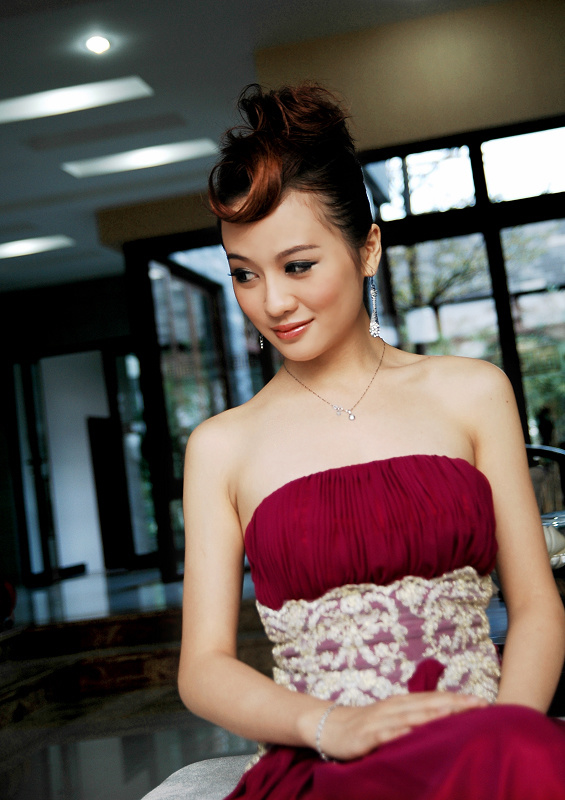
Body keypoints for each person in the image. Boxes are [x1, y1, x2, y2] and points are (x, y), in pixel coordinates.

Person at [178, 84, 565, 799]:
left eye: (298, 265)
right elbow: (202, 668)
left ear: (367, 248)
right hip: (328, 768)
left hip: (487, 749)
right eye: (244, 275)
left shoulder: (473, 393)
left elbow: (537, 607)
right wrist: (331, 726)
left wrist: (500, 740)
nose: (272, 302)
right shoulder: (221, 446)